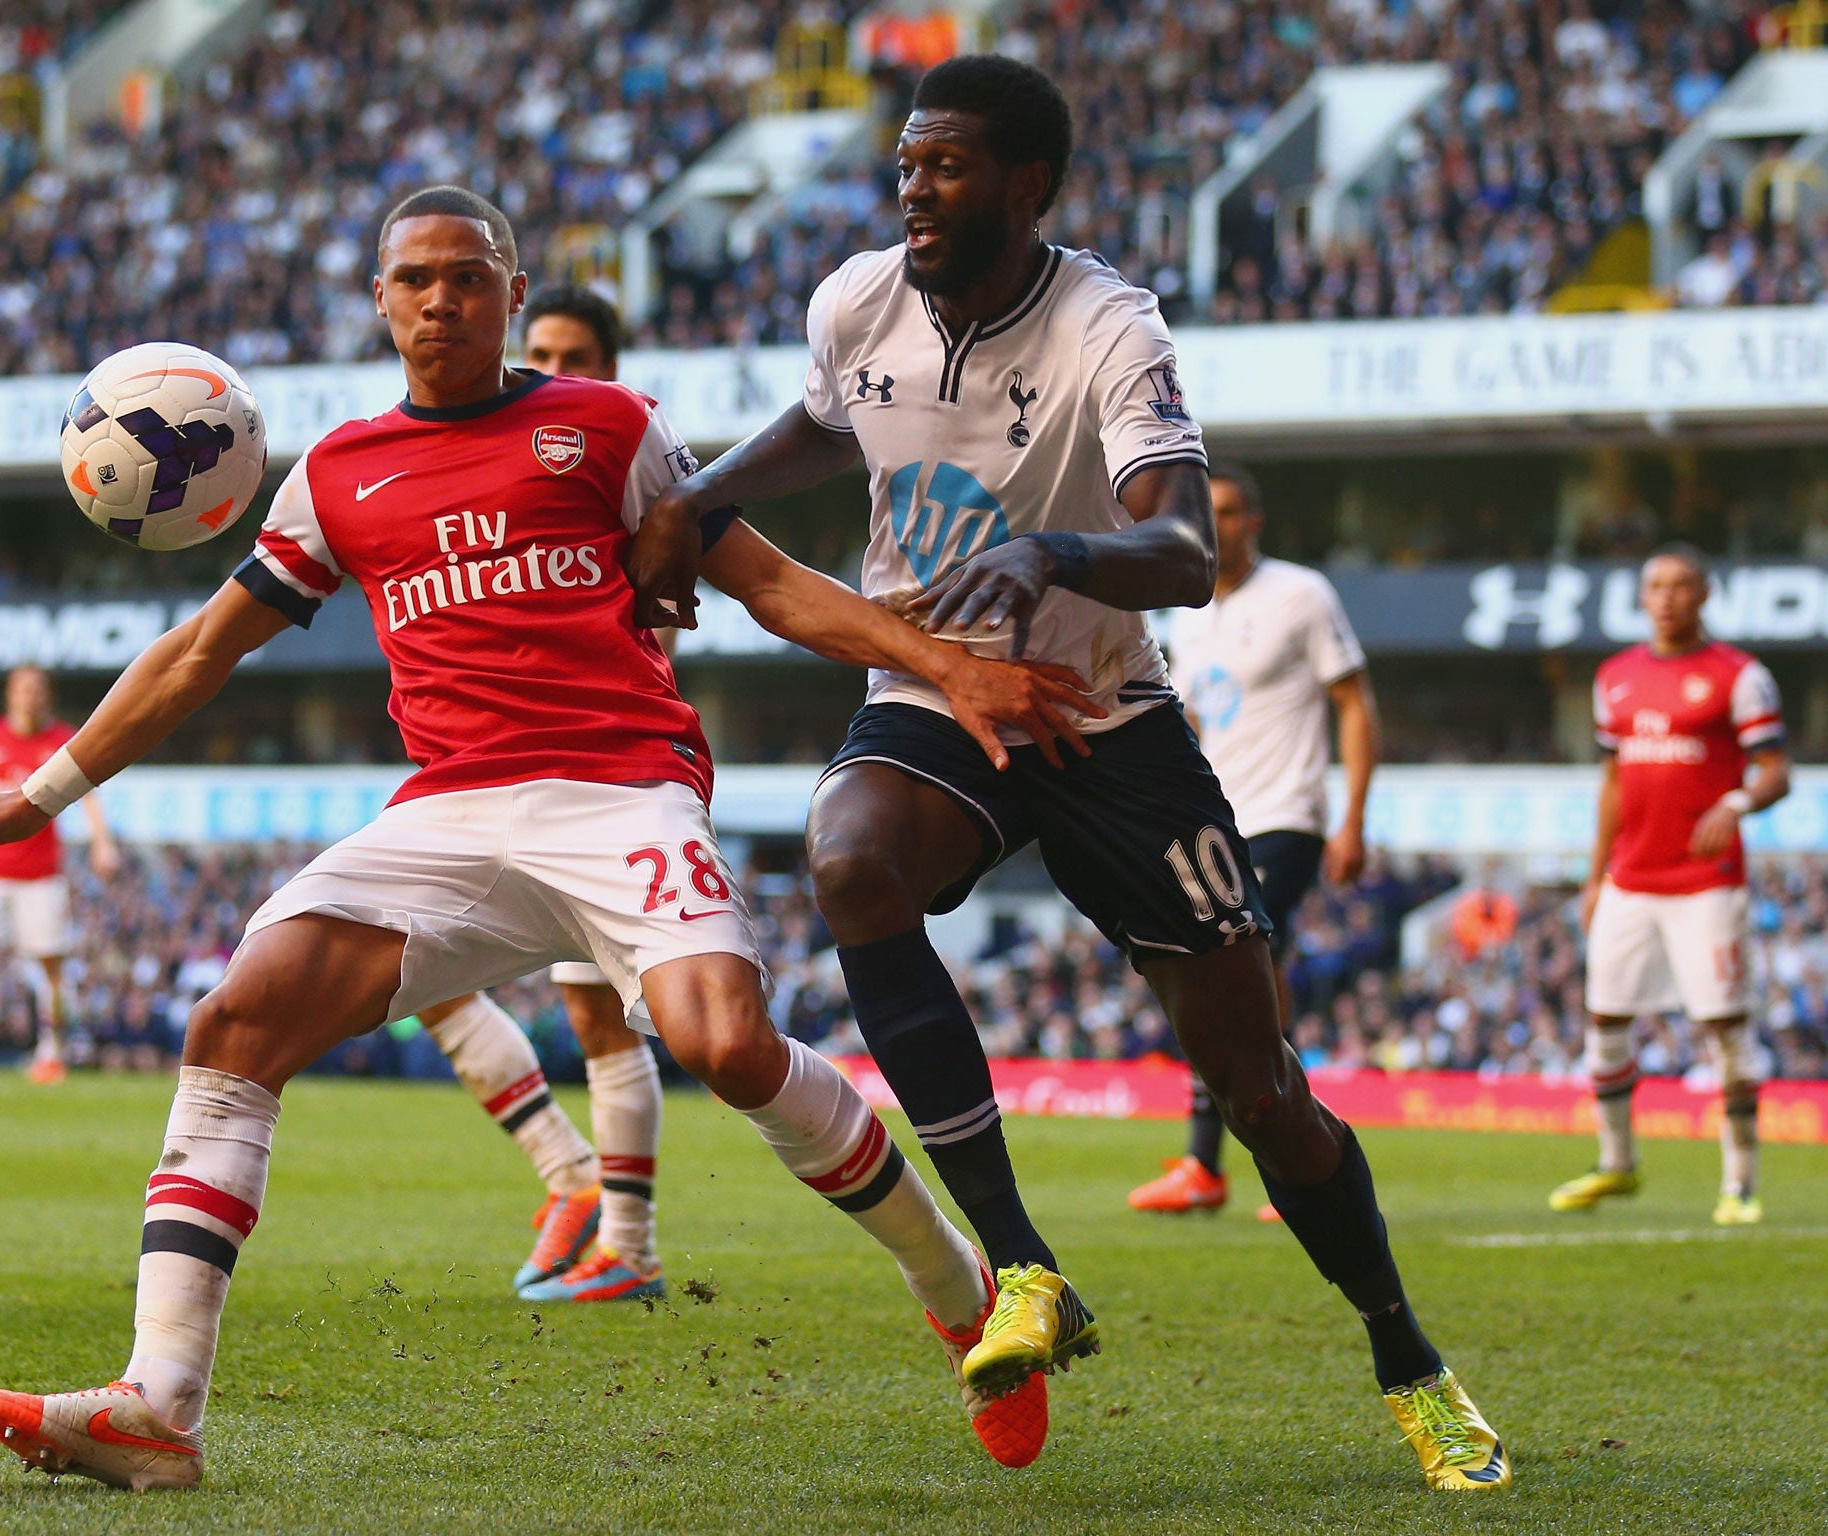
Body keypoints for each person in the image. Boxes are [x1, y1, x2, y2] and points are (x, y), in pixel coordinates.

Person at [0, 184, 1095, 1488]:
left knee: (726, 1044)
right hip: (450, 811)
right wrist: (43, 791)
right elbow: (198, 654)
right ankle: (160, 1406)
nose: (440, 298)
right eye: (414, 277)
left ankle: (957, 1282)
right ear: (380, 298)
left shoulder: (608, 425)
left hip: (621, 789)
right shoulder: (339, 475)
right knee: (237, 1023)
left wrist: (947, 671)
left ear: (512, 294)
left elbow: (775, 589)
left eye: (468, 276)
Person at [628, 56, 1507, 1491]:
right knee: (849, 860)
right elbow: (831, 418)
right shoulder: (856, 298)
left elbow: (1178, 550)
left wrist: (1053, 551)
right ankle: (1022, 1266)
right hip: (936, 690)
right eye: (908, 162)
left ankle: (1406, 1352)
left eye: (950, 165)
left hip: (1105, 718)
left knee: (1258, 1080)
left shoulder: (1111, 324)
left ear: (1029, 183)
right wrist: (706, 491)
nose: (916, 187)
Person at [416, 286, 672, 1304]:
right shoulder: (502, 451)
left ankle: (629, 1247)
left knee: (608, 1020)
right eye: (542, 351)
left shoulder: (624, 459)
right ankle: (568, 1176)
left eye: (574, 355)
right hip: (492, 769)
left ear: (608, 368)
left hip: (604, 772)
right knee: (415, 970)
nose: (552, 368)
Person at [1127, 464, 1379, 1221]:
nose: (1220, 524)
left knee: (1233, 960)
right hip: (1216, 818)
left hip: (1287, 814)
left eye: (1233, 511)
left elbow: (1354, 702)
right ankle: (1299, 1147)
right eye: (1209, 512)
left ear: (1255, 521)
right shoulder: (1187, 611)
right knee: (1243, 976)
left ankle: (1218, 1161)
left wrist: (1353, 818)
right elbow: (1193, 724)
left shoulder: (1301, 595)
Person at [1552, 545, 1789, 1225]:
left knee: (1723, 1024)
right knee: (1606, 1019)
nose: (1667, 597)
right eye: (1655, 586)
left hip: (1706, 882)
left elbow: (1776, 770)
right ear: (1643, 596)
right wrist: (1594, 877)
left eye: (1681, 586)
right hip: (1632, 876)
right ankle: (1616, 1163)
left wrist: (1736, 804)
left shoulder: (1739, 676)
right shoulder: (1616, 677)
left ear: (1705, 595)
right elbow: (1614, 783)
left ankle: (1739, 1184)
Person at [0, 665, 121, 1083]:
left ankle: (51, 1052)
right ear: (10, 694)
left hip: (41, 873)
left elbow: (89, 793)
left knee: (50, 963)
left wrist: (101, 841)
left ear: (47, 695)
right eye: (22, 688)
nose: (30, 696)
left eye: (37, 688)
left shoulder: (63, 740)